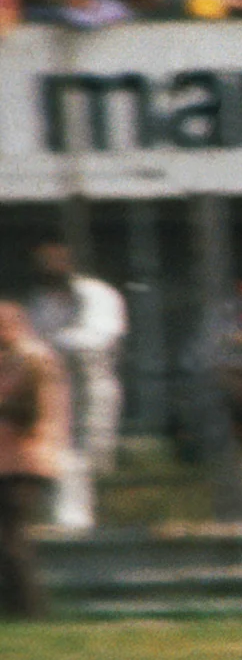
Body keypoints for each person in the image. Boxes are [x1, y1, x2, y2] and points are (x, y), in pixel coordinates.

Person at [28, 238, 126, 532]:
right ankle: (73, 523)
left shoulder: (97, 295)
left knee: (94, 457)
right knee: (66, 454)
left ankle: (94, 523)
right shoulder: (40, 300)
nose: (50, 265)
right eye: (44, 260)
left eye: (56, 258)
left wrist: (45, 347)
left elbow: (97, 338)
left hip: (92, 385)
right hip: (52, 386)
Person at [0, 301, 69, 615]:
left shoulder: (34, 360)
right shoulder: (9, 361)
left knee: (11, 537)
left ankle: (29, 609)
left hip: (25, 462)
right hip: (6, 460)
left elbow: (31, 412)